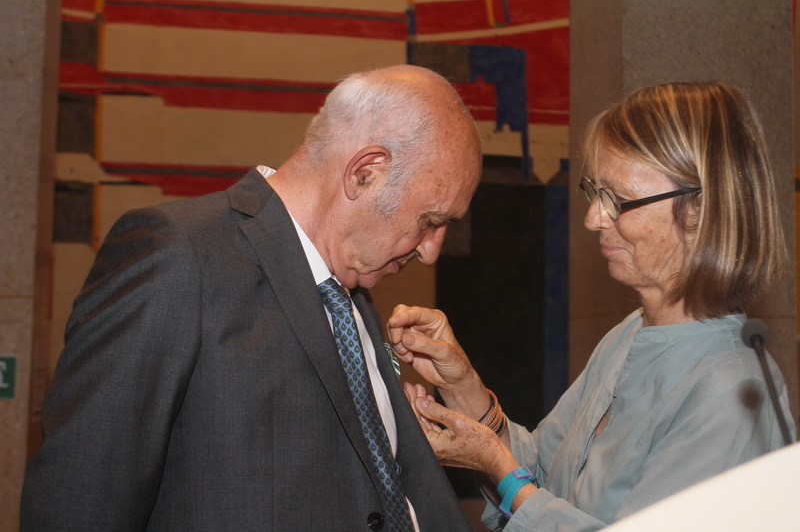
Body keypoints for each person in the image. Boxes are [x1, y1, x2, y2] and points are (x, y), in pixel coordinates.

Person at [21, 65, 482, 531]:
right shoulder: (179, 257)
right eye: (430, 220)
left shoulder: (352, 290)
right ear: (365, 172)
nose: (431, 250)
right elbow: (80, 498)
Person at [387, 81, 796, 531]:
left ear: (700, 207)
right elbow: (540, 475)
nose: (592, 218)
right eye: (593, 192)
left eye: (617, 201)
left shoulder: (733, 390)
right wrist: (463, 386)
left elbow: (518, 485)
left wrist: (496, 467)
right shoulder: (631, 333)